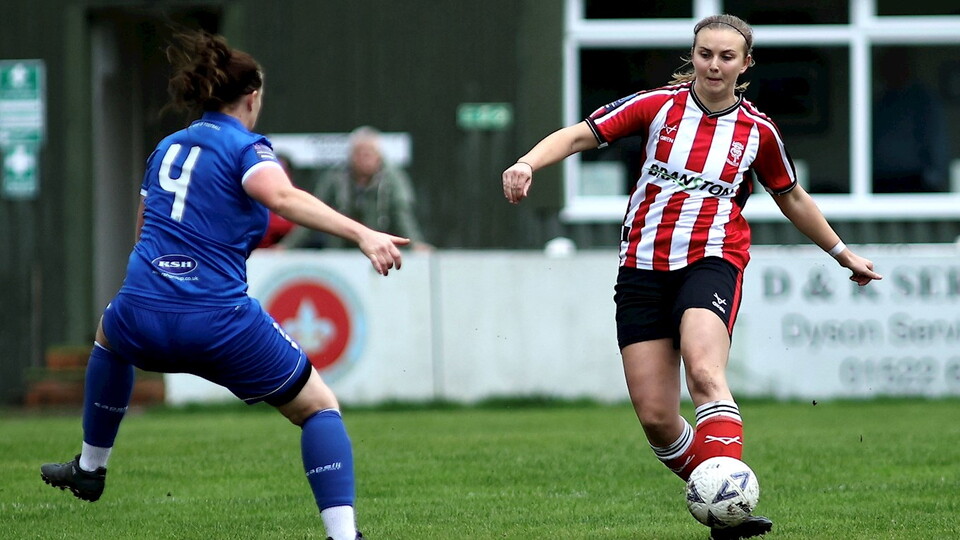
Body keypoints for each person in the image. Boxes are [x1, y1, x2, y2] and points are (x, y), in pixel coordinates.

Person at [502, 14, 881, 540]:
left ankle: (728, 512)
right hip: (641, 267)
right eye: (705, 54)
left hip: (712, 259)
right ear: (693, 56)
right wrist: (527, 163)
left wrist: (841, 253)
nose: (714, 65)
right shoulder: (657, 106)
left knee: (704, 372)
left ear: (746, 64)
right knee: (657, 419)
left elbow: (790, 196)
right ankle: (723, 497)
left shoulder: (758, 131)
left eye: (727, 56)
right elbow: (578, 135)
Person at [39, 30, 408, 540]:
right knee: (319, 408)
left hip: (140, 309)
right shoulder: (246, 147)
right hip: (217, 321)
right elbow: (281, 197)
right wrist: (364, 234)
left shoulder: (167, 146)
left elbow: (144, 227)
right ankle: (343, 536)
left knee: (109, 336)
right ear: (251, 97)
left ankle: (91, 466)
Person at [281, 126, 433, 251]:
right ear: (351, 156)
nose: (364, 158)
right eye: (359, 153)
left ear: (379, 156)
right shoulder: (336, 178)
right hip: (341, 252)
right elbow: (313, 212)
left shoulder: (393, 179)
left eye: (369, 153)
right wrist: (286, 246)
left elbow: (402, 215)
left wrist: (415, 244)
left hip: (382, 249)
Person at [872, 47, 950, 193]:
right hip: (881, 180)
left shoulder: (923, 99)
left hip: (914, 181)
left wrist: (933, 179)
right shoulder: (881, 100)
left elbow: (936, 139)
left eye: (893, 66)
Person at [256, 153, 296, 248]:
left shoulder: (297, 197)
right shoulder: (253, 192)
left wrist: (285, 245)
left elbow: (297, 229)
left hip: (284, 251)